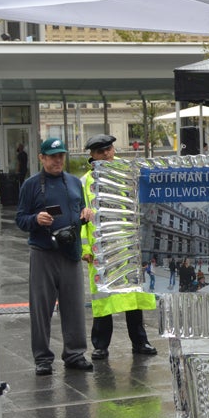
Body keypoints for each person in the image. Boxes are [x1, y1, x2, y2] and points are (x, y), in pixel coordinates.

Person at [15, 137, 95, 376]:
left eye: (61, 155)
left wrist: (84, 214)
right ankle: (42, 357)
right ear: (42, 158)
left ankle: (75, 353)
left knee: (74, 306)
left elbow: (78, 210)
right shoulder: (30, 185)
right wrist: (35, 219)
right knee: (41, 308)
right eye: (52, 156)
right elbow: (20, 219)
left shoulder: (73, 182)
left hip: (70, 252)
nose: (58, 160)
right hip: (43, 252)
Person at [80, 134, 157, 361]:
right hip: (101, 250)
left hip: (128, 247)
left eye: (109, 149)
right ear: (92, 155)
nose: (106, 154)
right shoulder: (85, 181)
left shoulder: (128, 174)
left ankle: (140, 341)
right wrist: (84, 248)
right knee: (104, 299)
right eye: (100, 151)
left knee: (134, 297)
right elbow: (81, 215)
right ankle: (101, 345)